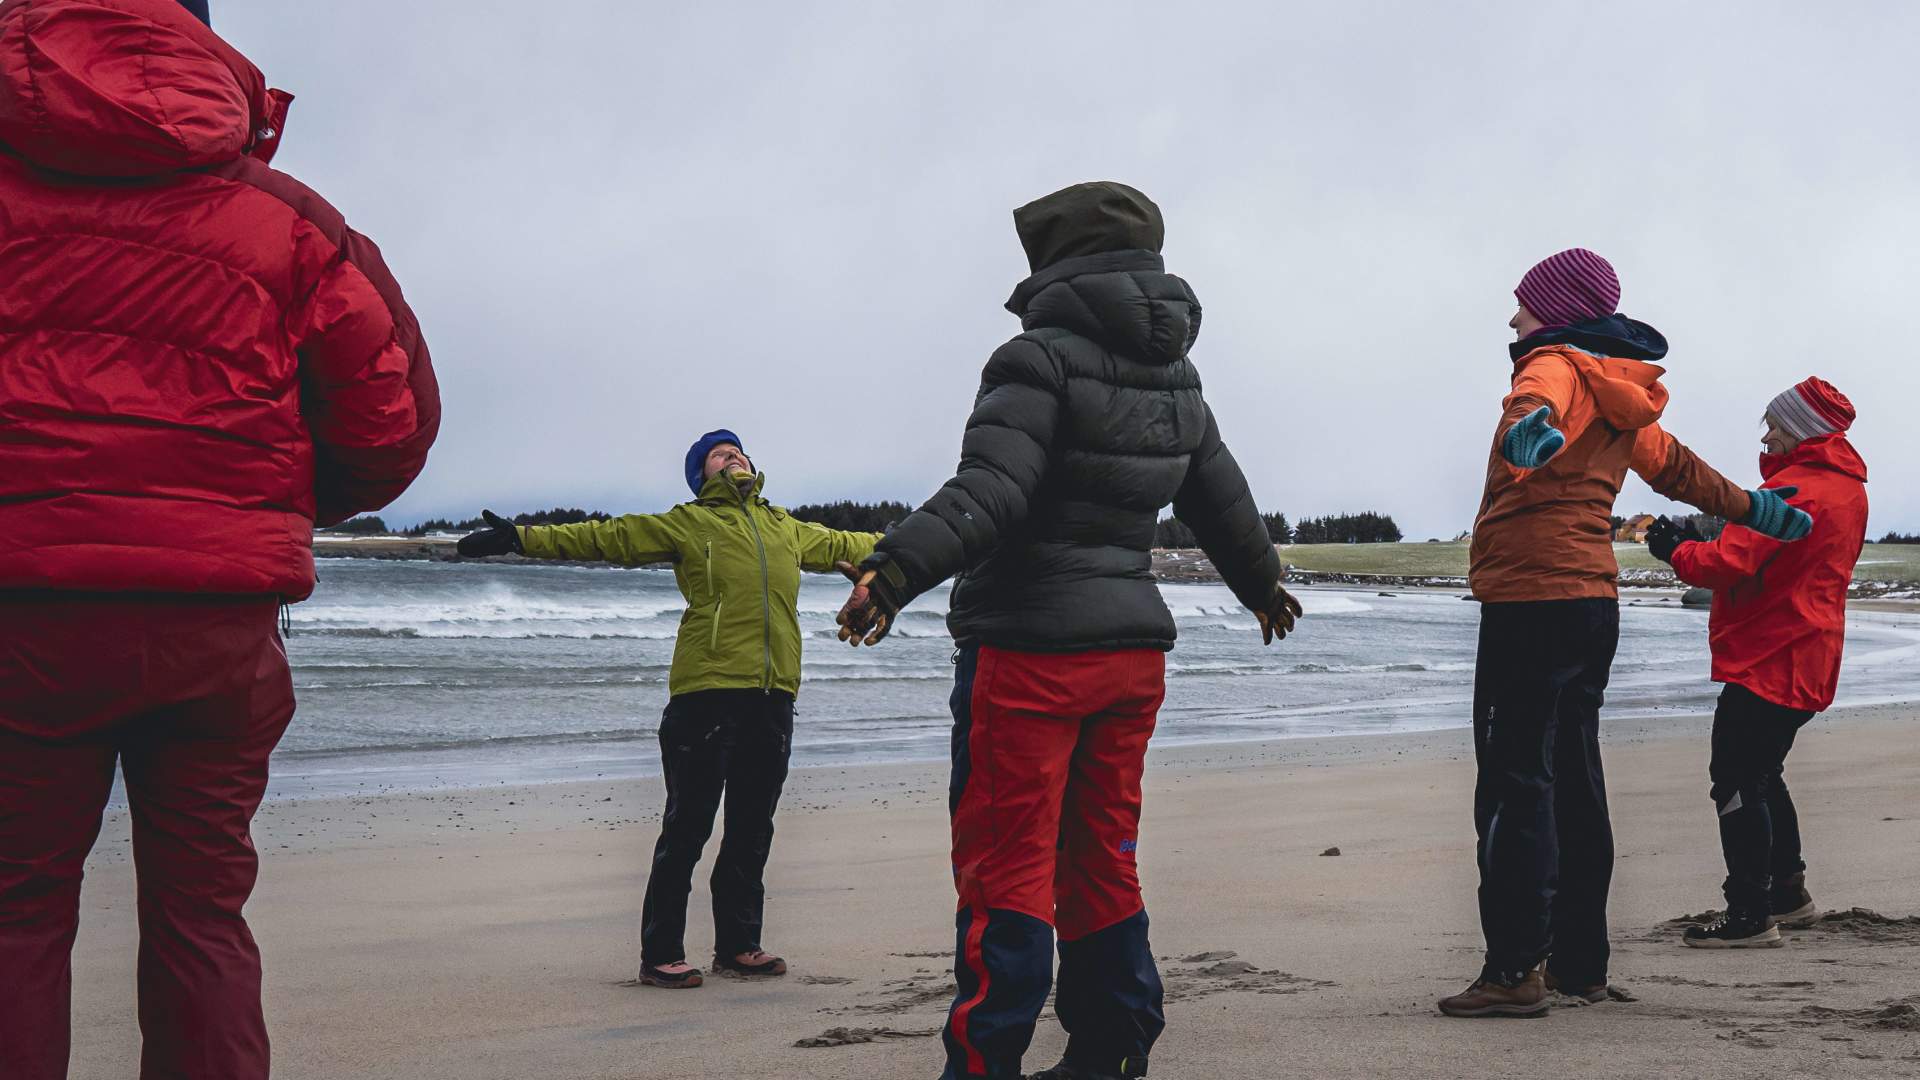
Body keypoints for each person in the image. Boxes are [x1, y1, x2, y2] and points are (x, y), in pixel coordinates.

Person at [0, 0, 440, 1075]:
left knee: (13, 913)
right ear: (201, 40)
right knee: (202, 916)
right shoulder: (287, 223)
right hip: (216, 626)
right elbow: (390, 428)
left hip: (21, 617)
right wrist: (256, 504)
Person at [835, 181, 1302, 1080]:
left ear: (1059, 262)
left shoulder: (1036, 359)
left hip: (1029, 656)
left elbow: (991, 491)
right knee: (1102, 856)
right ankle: (1115, 1047)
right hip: (1129, 658)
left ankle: (985, 1062)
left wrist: (892, 573)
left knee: (1005, 866)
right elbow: (1223, 498)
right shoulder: (1178, 375)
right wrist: (1263, 583)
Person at [1437, 249, 1812, 1020]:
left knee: (1516, 784)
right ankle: (1581, 963)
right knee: (1575, 781)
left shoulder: (1555, 366)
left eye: (1525, 305)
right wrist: (1753, 508)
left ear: (1560, 312)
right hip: (1590, 606)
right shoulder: (1617, 391)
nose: (1514, 320)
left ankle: (1513, 970)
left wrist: (1529, 430)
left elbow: (1531, 403)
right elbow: (1677, 468)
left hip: (1530, 599)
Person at [457, 431, 879, 988]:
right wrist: (522, 537)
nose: (732, 456)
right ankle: (661, 953)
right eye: (718, 455)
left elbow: (862, 543)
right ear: (700, 476)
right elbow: (604, 537)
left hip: (773, 695)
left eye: (737, 450)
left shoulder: (787, 528)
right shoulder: (687, 522)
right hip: (705, 694)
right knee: (687, 829)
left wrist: (947, 540)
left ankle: (738, 946)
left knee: (753, 828)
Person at [1645, 378, 1867, 948]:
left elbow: (1726, 564)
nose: (1766, 434)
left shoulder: (1797, 490)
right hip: (1810, 652)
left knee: (1737, 778)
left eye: (1776, 425)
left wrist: (1672, 549)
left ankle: (1748, 911)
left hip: (1773, 655)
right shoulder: (1845, 489)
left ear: (1803, 431)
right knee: (1764, 774)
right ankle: (1787, 894)